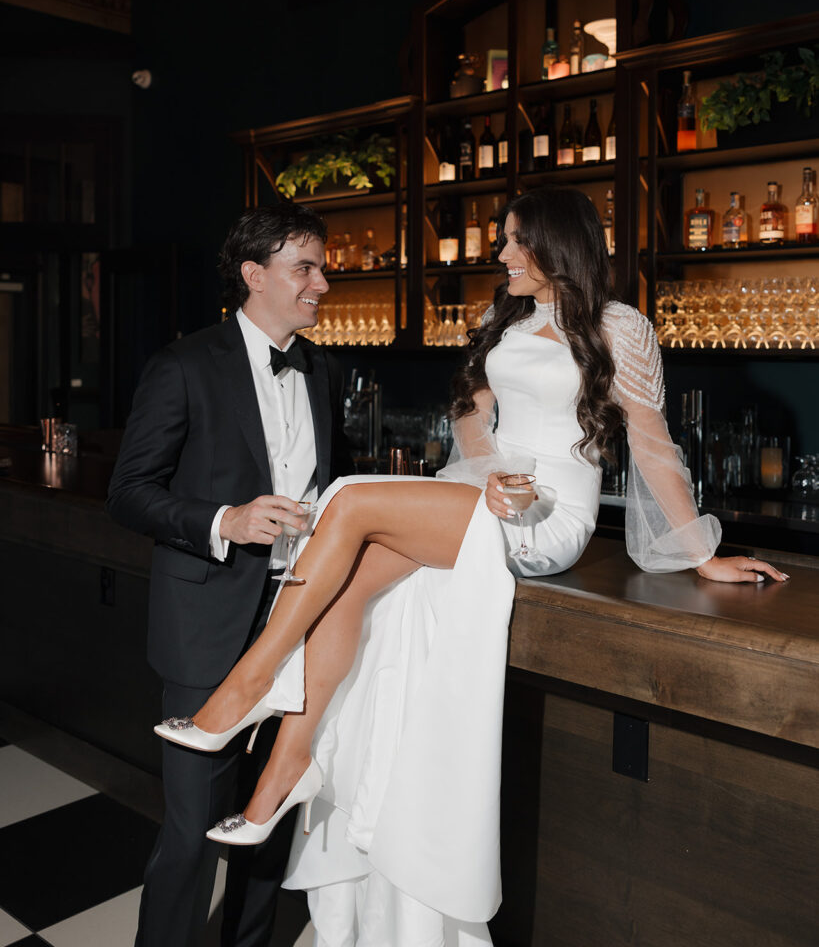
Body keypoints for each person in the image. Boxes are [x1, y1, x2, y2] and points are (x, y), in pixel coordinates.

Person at [155, 186, 788, 945]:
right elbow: (468, 415)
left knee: (350, 500)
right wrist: (489, 470)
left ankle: (246, 689)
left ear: (556, 245)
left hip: (552, 514)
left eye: (515, 241)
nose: (501, 255)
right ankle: (284, 774)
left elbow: (652, 447)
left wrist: (702, 554)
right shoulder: (504, 317)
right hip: (490, 493)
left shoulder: (620, 328)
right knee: (350, 580)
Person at [107, 202, 352, 947]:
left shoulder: (321, 370)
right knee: (188, 837)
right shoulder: (183, 365)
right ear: (255, 274)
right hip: (204, 629)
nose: (321, 283)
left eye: (320, 267)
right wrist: (225, 521)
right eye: (304, 267)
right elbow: (129, 492)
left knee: (267, 825)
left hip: (297, 621)